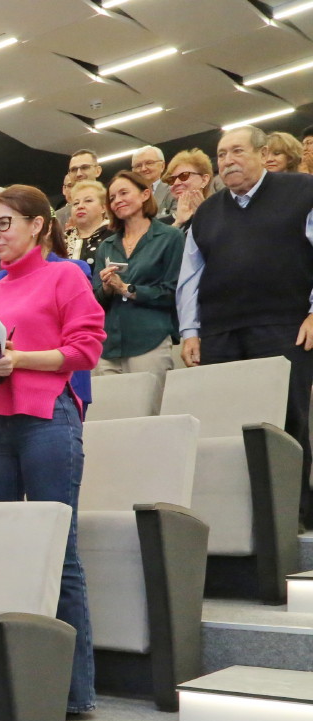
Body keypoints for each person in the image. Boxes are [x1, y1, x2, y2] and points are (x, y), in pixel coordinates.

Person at [0, 185, 106, 719]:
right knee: (1, 554)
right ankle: (14, 684)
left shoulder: (65, 275)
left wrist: (19, 359)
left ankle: (74, 693)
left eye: (5, 223)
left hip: (47, 417)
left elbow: (86, 349)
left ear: (39, 225)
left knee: (57, 554)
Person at [177, 125, 313, 528]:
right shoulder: (207, 211)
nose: (228, 161)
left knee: (287, 425)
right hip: (220, 334)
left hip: (285, 325)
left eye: (237, 151)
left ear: (262, 153)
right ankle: (236, 523)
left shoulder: (302, 190)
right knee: (225, 428)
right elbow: (190, 276)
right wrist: (190, 331)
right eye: (221, 154)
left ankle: (294, 517)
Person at [92, 170, 183, 378]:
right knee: (109, 400)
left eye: (124, 193)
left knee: (149, 399)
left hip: (149, 340)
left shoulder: (170, 237)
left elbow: (173, 292)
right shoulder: (106, 245)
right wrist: (107, 287)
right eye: (112, 198)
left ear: (145, 194)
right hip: (108, 346)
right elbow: (95, 300)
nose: (117, 201)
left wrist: (127, 289)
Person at [161, 148, 214, 229]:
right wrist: (178, 223)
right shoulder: (159, 225)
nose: (176, 183)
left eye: (184, 175)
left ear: (204, 180)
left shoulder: (220, 214)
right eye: (172, 179)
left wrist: (203, 216)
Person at [65, 180, 112, 263]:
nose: (80, 206)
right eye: (76, 203)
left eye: (88, 201)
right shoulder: (62, 239)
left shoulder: (115, 234)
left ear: (103, 207)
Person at [57, 149, 100, 226]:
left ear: (98, 171)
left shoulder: (112, 205)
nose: (79, 174)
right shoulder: (58, 218)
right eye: (74, 169)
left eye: (84, 167)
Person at [131, 145, 177, 216]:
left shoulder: (174, 193)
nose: (143, 169)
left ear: (162, 166)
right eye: (138, 165)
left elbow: (177, 218)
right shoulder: (128, 196)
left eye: (149, 163)